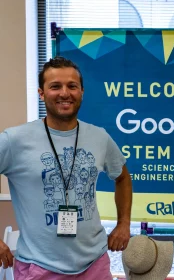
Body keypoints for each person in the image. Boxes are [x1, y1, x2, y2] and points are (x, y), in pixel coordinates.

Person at [0, 57, 133, 279]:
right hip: (38, 267)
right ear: (41, 93)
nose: (65, 93)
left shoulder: (99, 137)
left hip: (94, 264)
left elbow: (122, 178)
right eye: (55, 86)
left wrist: (124, 224)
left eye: (72, 86)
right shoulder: (14, 140)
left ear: (81, 92)